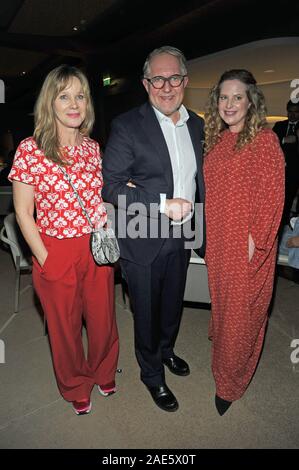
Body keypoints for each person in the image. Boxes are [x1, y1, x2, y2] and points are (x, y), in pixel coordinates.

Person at [9, 65, 119, 415]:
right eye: (64, 96)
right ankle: (74, 383)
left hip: (95, 247)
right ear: (50, 103)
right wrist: (45, 258)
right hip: (54, 249)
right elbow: (24, 214)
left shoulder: (92, 149)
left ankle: (102, 370)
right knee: (64, 326)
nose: (74, 104)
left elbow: (99, 198)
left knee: (103, 318)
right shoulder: (31, 149)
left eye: (81, 96)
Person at [102, 46, 205, 412]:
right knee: (145, 311)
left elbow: (200, 180)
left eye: (173, 77)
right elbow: (110, 187)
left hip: (184, 235)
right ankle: (152, 376)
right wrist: (162, 203)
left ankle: (166, 351)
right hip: (141, 236)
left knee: (173, 304)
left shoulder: (197, 124)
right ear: (146, 84)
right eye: (157, 78)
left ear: (185, 81)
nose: (166, 86)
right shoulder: (128, 125)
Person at [203, 69, 285, 415]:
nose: (230, 104)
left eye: (238, 97)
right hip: (219, 242)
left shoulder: (265, 141)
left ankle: (230, 385)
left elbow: (273, 198)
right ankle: (224, 359)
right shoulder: (219, 142)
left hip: (245, 246)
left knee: (242, 317)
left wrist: (254, 243)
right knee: (224, 310)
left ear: (251, 100)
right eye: (224, 97)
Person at [273, 100, 299, 224]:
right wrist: (284, 140)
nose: (292, 115)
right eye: (290, 112)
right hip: (278, 172)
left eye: (296, 112)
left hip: (295, 172)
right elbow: (271, 144)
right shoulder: (279, 125)